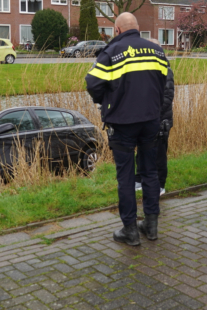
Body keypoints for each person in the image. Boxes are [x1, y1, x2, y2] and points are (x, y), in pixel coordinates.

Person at [85, 13, 169, 246]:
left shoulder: (112, 52)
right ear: (138, 28)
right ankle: (151, 226)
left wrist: (107, 100)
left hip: (123, 122)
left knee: (126, 176)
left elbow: (92, 84)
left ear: (118, 30)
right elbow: (163, 82)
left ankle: (130, 230)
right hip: (151, 120)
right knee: (150, 172)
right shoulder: (157, 51)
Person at [135, 38, 174, 195]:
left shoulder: (165, 70)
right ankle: (139, 179)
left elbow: (167, 96)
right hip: (143, 118)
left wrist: (152, 115)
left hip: (160, 120)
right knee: (142, 150)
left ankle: (160, 185)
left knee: (158, 153)